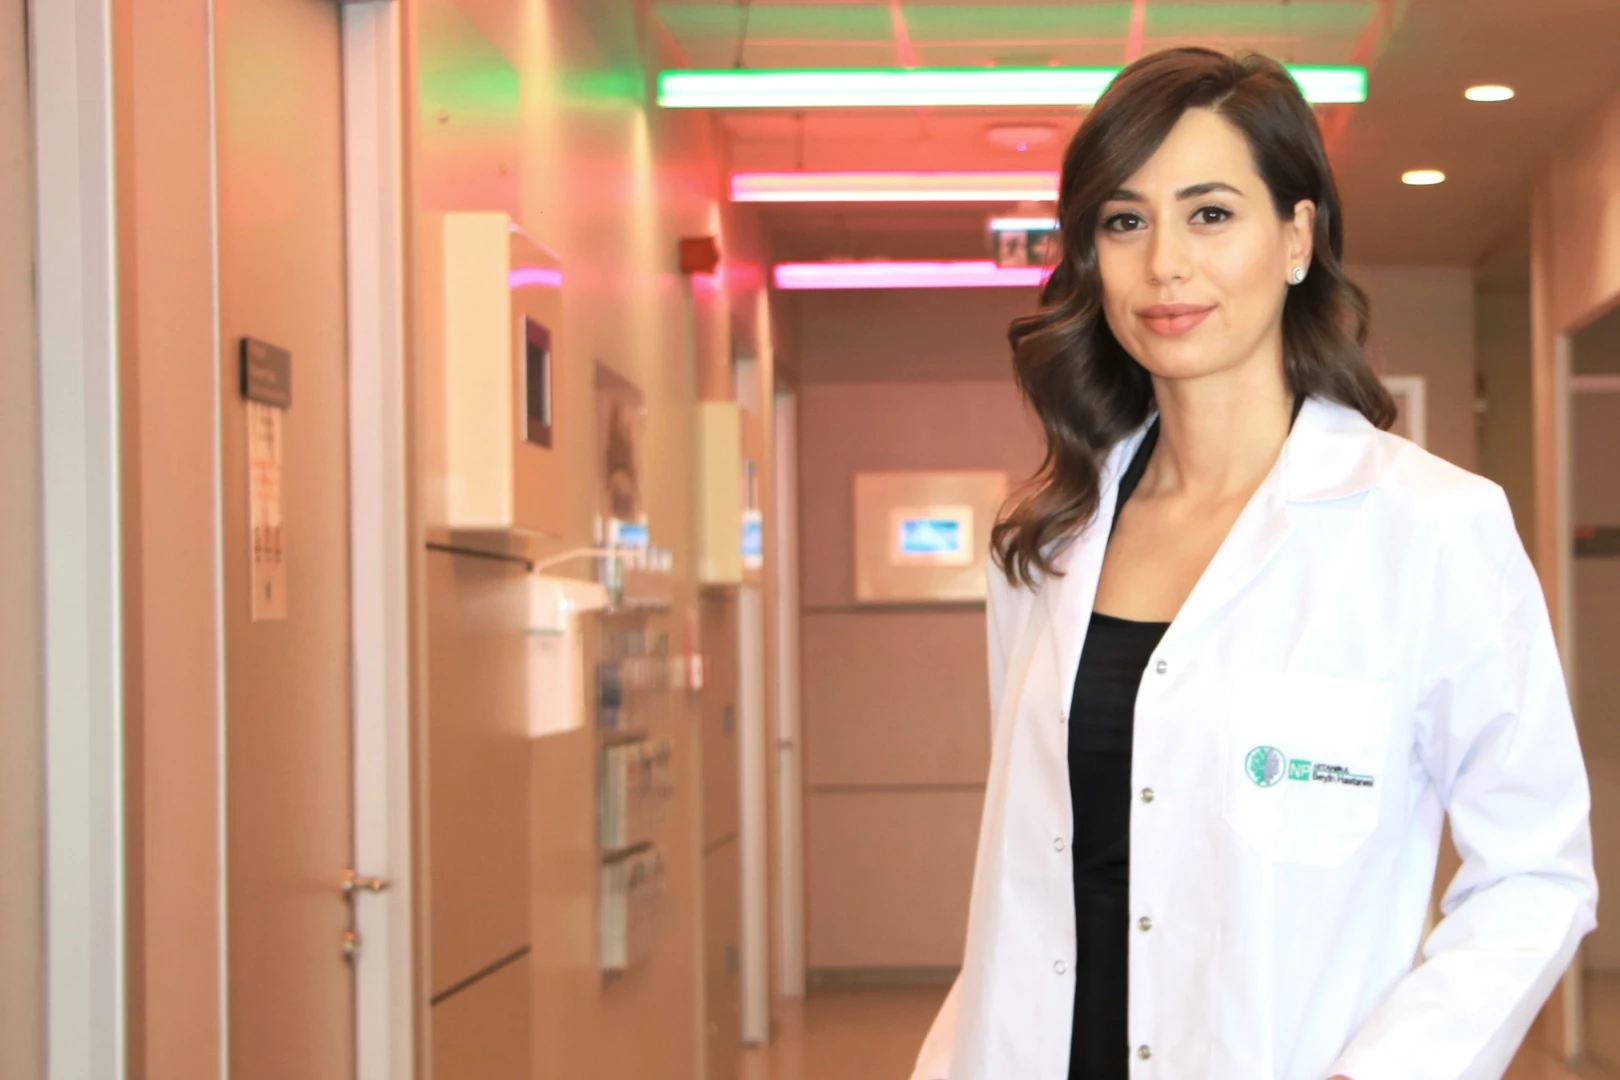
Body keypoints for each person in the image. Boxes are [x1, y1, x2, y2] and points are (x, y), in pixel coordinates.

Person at [910, 47, 1596, 1080]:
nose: (1165, 265)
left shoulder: (1429, 528)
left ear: (1297, 237)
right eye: (1125, 221)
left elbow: (1536, 873)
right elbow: (1027, 880)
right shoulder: (1046, 542)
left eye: (1211, 213)